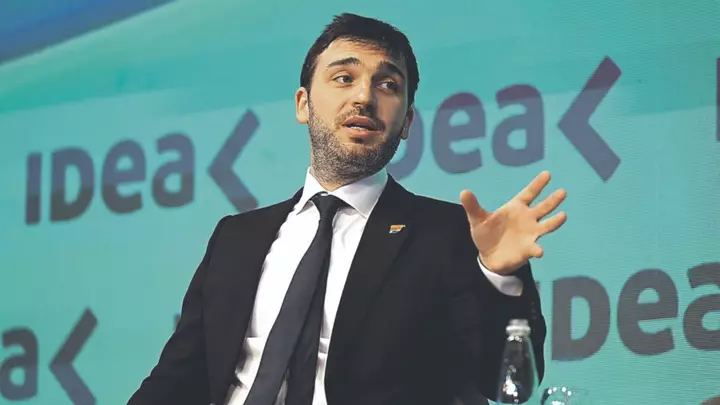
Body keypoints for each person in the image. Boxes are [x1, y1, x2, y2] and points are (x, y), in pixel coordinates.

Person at [127, 12, 567, 405]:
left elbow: (504, 383)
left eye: (388, 85)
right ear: (303, 104)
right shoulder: (235, 237)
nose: (364, 97)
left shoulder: (447, 233)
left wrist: (498, 276)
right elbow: (177, 380)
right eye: (343, 78)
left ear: (407, 121)